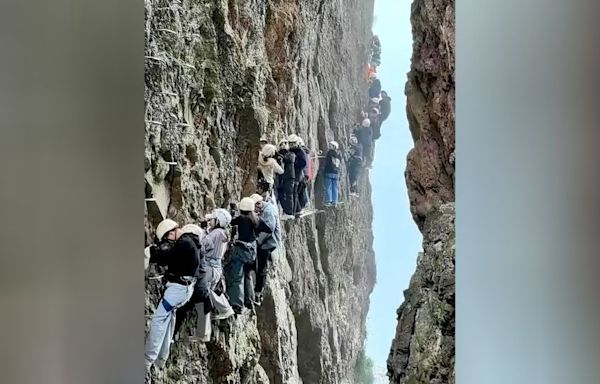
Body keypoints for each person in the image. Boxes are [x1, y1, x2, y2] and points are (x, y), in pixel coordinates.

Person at [144, 219, 199, 373]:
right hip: (184, 290)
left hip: (177, 291)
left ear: (172, 233)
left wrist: (151, 252)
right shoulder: (189, 240)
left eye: (167, 239)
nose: (167, 243)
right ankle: (161, 357)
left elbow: (165, 256)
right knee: (169, 320)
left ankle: (147, 360)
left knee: (158, 321)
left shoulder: (183, 243)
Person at [225, 197, 272, 314]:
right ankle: (249, 301)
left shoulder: (241, 219)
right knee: (247, 275)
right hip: (252, 251)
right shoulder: (257, 220)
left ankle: (237, 304)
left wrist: (232, 210)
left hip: (242, 250)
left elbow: (230, 221)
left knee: (237, 276)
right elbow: (269, 229)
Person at [253, 181, 281, 305]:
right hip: (269, 241)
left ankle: (258, 292)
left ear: (258, 204)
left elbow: (268, 230)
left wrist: (258, 242)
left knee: (261, 267)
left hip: (269, 242)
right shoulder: (266, 207)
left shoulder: (268, 211)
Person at [288, 134, 307, 215]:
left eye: (293, 143)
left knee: (295, 193)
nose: (292, 145)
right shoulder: (291, 151)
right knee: (294, 193)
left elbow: (303, 163)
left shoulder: (300, 152)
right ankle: (297, 209)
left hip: (297, 175)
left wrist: (294, 162)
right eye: (290, 143)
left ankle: (296, 209)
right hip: (292, 175)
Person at [277, 139, 296, 219]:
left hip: (289, 177)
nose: (284, 145)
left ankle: (289, 212)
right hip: (283, 178)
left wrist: (280, 155)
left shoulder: (290, 154)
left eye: (285, 143)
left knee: (289, 195)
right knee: (282, 194)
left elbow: (289, 159)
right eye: (282, 144)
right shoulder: (283, 155)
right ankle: (286, 211)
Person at [324, 141, 342, 206]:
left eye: (331, 145)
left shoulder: (330, 152)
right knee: (335, 187)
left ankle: (328, 201)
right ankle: (335, 201)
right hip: (336, 173)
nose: (329, 146)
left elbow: (327, 161)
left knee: (328, 186)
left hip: (329, 171)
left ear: (334, 147)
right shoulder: (339, 155)